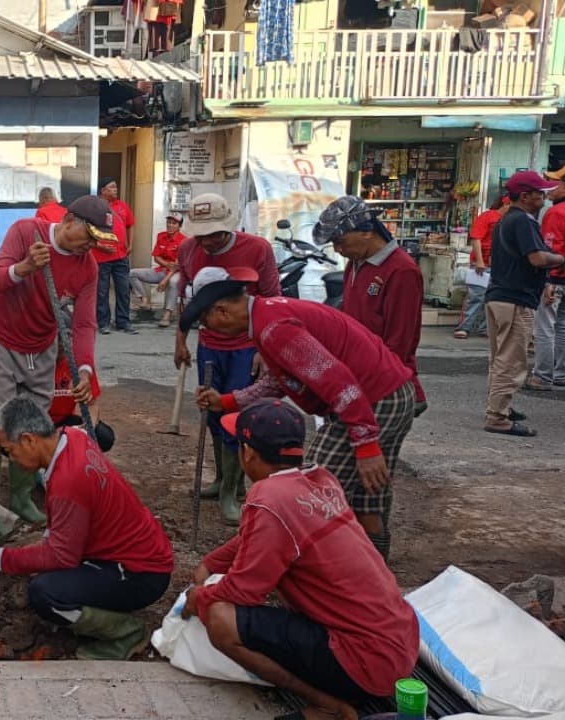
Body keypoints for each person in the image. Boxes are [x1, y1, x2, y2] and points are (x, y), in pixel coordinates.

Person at [185, 400, 418, 719]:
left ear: (248, 453)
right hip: (398, 646)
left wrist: (200, 597)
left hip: (362, 663)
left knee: (221, 618)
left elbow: (243, 591)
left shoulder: (266, 499)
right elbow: (261, 537)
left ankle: (325, 703)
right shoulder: (320, 479)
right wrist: (211, 563)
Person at [187, 271, 416, 559]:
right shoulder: (267, 317)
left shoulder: (273, 328)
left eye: (207, 323)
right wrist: (228, 401)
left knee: (309, 493)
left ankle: (309, 569)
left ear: (221, 311)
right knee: (366, 493)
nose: (211, 331)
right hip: (382, 394)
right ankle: (372, 570)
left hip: (370, 400)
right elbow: (279, 380)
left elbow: (338, 382)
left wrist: (366, 442)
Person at [0, 396, 173, 660]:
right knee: (42, 570)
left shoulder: (68, 480)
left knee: (45, 594)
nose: (10, 459)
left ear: (30, 440)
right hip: (138, 558)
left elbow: (61, 556)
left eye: (9, 450)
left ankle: (126, 632)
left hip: (140, 575)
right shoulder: (72, 438)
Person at [0, 196, 112, 537]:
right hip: (0, 338)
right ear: (69, 220)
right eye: (89, 236)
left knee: (34, 423)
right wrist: (24, 269)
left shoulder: (87, 267)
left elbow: (83, 325)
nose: (90, 246)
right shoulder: (26, 233)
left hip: (42, 345)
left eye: (97, 241)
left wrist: (84, 369)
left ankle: (20, 497)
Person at [175, 194, 280, 524]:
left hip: (246, 345)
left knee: (236, 412)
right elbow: (185, 299)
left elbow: (272, 298)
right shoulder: (188, 251)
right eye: (201, 234)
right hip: (209, 345)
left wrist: (266, 349)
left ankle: (231, 491)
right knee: (212, 414)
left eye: (214, 234)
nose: (207, 240)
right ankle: (222, 479)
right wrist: (180, 340)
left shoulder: (257, 249)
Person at [315, 196, 426, 413]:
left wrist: (374, 382)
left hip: (384, 380)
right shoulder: (355, 264)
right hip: (358, 373)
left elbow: (400, 339)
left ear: (366, 232)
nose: (337, 249)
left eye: (341, 241)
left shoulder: (402, 271)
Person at [483, 171, 565, 436]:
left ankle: (501, 407)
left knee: (500, 359)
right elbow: (537, 259)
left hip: (500, 296)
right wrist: (560, 259)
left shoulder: (507, 219)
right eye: (539, 193)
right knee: (511, 361)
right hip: (514, 299)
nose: (543, 197)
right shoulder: (522, 221)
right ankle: (497, 416)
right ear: (525, 196)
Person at [531, 168, 565, 389]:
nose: (547, 187)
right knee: (564, 326)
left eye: (551, 182)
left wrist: (545, 279)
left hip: (556, 278)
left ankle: (543, 376)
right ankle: (563, 373)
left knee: (545, 327)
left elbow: (549, 250)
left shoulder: (557, 212)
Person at [455, 197, 509, 339]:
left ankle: (485, 328)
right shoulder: (488, 216)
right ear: (506, 203)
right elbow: (476, 238)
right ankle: (464, 327)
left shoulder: (510, 219)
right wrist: (479, 260)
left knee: (493, 298)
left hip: (499, 264)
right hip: (483, 264)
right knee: (476, 296)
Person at [93, 178, 136, 334]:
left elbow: (131, 225)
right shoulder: (95, 207)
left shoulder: (122, 206)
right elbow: (87, 230)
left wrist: (130, 244)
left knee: (123, 290)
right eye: (111, 187)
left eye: (116, 187)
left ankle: (123, 322)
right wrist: (99, 245)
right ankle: (103, 323)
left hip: (121, 256)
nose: (115, 190)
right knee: (102, 291)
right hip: (101, 256)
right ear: (102, 191)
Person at [129, 213, 184, 327]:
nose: (170, 225)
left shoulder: (184, 240)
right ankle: (144, 300)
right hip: (162, 270)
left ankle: (168, 314)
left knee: (173, 282)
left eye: (174, 223)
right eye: (168, 222)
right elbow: (156, 257)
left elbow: (177, 266)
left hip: (177, 273)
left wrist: (165, 280)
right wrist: (167, 264)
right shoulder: (161, 236)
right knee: (132, 273)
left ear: (179, 226)